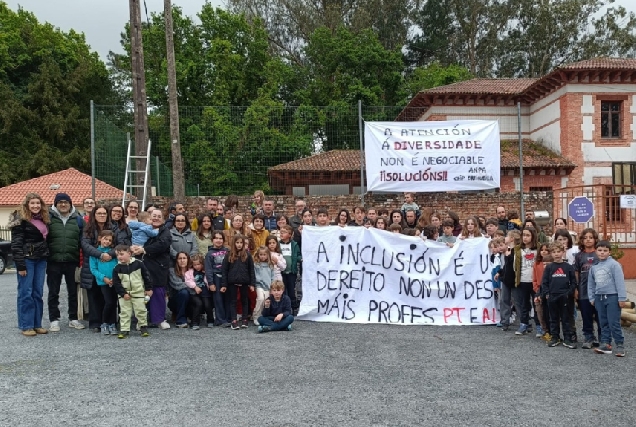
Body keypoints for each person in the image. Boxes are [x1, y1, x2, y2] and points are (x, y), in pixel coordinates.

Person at [10, 193, 50, 337]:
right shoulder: (20, 220)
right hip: (27, 260)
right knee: (25, 293)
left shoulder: (44, 219)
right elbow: (16, 245)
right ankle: (26, 325)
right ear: (27, 205)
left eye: (38, 203)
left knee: (38, 292)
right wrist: (20, 266)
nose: (35, 206)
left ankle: (37, 324)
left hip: (41, 259)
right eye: (32, 203)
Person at [46, 192, 85, 332]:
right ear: (55, 204)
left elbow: (82, 241)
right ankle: (54, 320)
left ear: (70, 204)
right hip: (53, 261)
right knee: (53, 292)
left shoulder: (78, 220)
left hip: (72, 261)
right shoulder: (48, 219)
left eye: (66, 202)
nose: (63, 204)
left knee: (73, 292)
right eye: (60, 202)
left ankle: (73, 318)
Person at [132, 208, 171, 330]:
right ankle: (141, 320)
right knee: (141, 293)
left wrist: (144, 249)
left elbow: (162, 244)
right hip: (142, 265)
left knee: (158, 293)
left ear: (163, 219)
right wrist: (133, 247)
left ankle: (159, 319)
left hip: (159, 266)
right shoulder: (141, 227)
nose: (156, 218)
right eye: (154, 216)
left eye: (159, 216)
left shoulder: (165, 231)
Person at [81, 204, 116, 332]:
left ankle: (109, 322)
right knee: (94, 295)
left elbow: (119, 245)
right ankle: (95, 323)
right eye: (99, 213)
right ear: (94, 215)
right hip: (93, 265)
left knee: (109, 298)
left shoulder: (113, 227)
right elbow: (85, 245)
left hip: (109, 265)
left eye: (104, 213)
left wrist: (110, 254)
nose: (102, 215)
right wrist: (101, 254)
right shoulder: (87, 229)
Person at [588, 240, 627, 357]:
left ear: (609, 252)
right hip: (599, 298)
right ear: (596, 251)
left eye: (605, 250)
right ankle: (606, 344)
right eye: (600, 250)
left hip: (612, 297)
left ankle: (620, 345)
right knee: (603, 322)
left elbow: (620, 282)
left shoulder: (614, 265)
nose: (602, 253)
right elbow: (591, 284)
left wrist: (622, 298)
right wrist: (592, 297)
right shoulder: (594, 267)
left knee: (613, 322)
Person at [540, 242, 577, 348]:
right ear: (551, 253)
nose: (556, 254)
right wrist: (547, 293)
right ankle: (555, 337)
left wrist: (569, 293)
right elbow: (544, 282)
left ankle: (567, 338)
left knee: (566, 318)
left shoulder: (568, 267)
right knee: (553, 318)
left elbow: (573, 282)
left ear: (563, 252)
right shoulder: (549, 267)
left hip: (565, 296)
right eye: (554, 252)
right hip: (552, 296)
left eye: (558, 251)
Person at [111, 244, 153, 339]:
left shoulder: (139, 264)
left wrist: (148, 288)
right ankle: (124, 329)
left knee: (141, 310)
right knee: (125, 312)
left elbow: (146, 276)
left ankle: (143, 327)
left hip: (138, 292)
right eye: (117, 255)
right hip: (124, 295)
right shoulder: (116, 268)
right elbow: (116, 283)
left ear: (129, 254)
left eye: (121, 254)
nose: (119, 257)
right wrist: (123, 294)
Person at [221, 234, 256, 330]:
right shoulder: (229, 255)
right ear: (234, 243)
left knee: (244, 300)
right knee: (233, 301)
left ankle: (244, 319)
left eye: (241, 243)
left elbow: (251, 270)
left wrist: (252, 284)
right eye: (237, 242)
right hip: (232, 282)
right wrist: (224, 284)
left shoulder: (248, 255)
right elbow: (224, 270)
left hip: (244, 281)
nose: (239, 245)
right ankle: (234, 320)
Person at [574, 228, 601, 349]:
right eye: (585, 238)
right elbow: (576, 272)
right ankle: (589, 336)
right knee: (586, 315)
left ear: (595, 239)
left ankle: (603, 338)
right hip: (583, 290)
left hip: (598, 291)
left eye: (591, 237)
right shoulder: (579, 256)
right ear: (582, 240)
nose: (588, 240)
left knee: (600, 315)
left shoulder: (599, 254)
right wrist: (576, 288)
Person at [89, 230, 118, 336]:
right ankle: (104, 322)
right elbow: (93, 269)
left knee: (114, 303)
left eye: (109, 240)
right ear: (99, 238)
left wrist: (115, 278)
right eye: (105, 239)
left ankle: (113, 323)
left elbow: (118, 265)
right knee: (108, 302)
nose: (107, 242)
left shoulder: (113, 253)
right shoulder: (95, 253)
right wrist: (103, 278)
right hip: (103, 282)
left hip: (114, 281)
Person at [512, 227, 538, 336]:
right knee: (524, 304)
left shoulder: (538, 249)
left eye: (528, 235)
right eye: (524, 235)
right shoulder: (518, 249)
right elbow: (515, 266)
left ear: (533, 236)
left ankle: (539, 325)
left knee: (537, 304)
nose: (525, 238)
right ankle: (524, 323)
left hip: (535, 281)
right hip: (523, 280)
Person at [205, 231, 230, 326]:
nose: (218, 240)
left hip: (226, 277)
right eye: (216, 238)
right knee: (218, 299)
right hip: (216, 278)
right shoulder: (209, 254)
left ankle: (229, 318)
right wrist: (211, 283)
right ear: (212, 240)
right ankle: (220, 319)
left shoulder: (227, 251)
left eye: (220, 238)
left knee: (227, 299)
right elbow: (208, 269)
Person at [498, 230, 521, 331]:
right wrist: (500, 272)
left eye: (507, 236)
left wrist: (508, 256)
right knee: (504, 300)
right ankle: (505, 321)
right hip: (506, 279)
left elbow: (514, 265)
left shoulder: (517, 250)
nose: (505, 238)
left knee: (517, 301)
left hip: (514, 279)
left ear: (512, 238)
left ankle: (524, 321)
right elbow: (506, 266)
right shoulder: (507, 250)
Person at [185, 254, 211, 330]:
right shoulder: (189, 272)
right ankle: (195, 322)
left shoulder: (206, 271)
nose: (197, 266)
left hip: (205, 292)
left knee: (207, 305)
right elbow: (188, 281)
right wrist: (195, 287)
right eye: (195, 265)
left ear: (202, 264)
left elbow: (209, 279)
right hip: (195, 293)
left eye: (198, 264)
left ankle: (210, 320)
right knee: (198, 304)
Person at [278, 225, 301, 312]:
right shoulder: (278, 244)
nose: (281, 234)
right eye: (281, 232)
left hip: (291, 272)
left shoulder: (294, 244)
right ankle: (283, 307)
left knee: (292, 290)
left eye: (284, 232)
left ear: (290, 234)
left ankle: (294, 307)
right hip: (281, 272)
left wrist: (300, 259)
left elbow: (298, 255)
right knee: (282, 290)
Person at [532, 243, 551, 340]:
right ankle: (544, 329)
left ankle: (551, 331)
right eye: (542, 250)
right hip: (539, 289)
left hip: (549, 290)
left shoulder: (551, 263)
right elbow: (534, 278)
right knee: (539, 311)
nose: (544, 252)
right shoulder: (537, 263)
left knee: (549, 312)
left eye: (546, 250)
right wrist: (536, 289)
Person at [168, 252, 192, 328]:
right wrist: (193, 287)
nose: (182, 260)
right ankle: (180, 321)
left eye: (184, 258)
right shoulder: (172, 271)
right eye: (180, 258)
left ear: (188, 260)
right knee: (184, 293)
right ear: (176, 260)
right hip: (175, 300)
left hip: (190, 298)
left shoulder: (192, 271)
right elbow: (178, 285)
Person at [253, 246, 276, 326]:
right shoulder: (256, 264)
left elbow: (273, 276)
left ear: (267, 255)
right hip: (259, 285)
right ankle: (256, 316)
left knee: (266, 301)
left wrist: (272, 286)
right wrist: (258, 282)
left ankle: (263, 316)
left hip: (268, 286)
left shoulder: (270, 265)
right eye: (261, 254)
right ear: (258, 255)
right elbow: (255, 275)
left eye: (264, 255)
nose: (262, 256)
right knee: (260, 299)